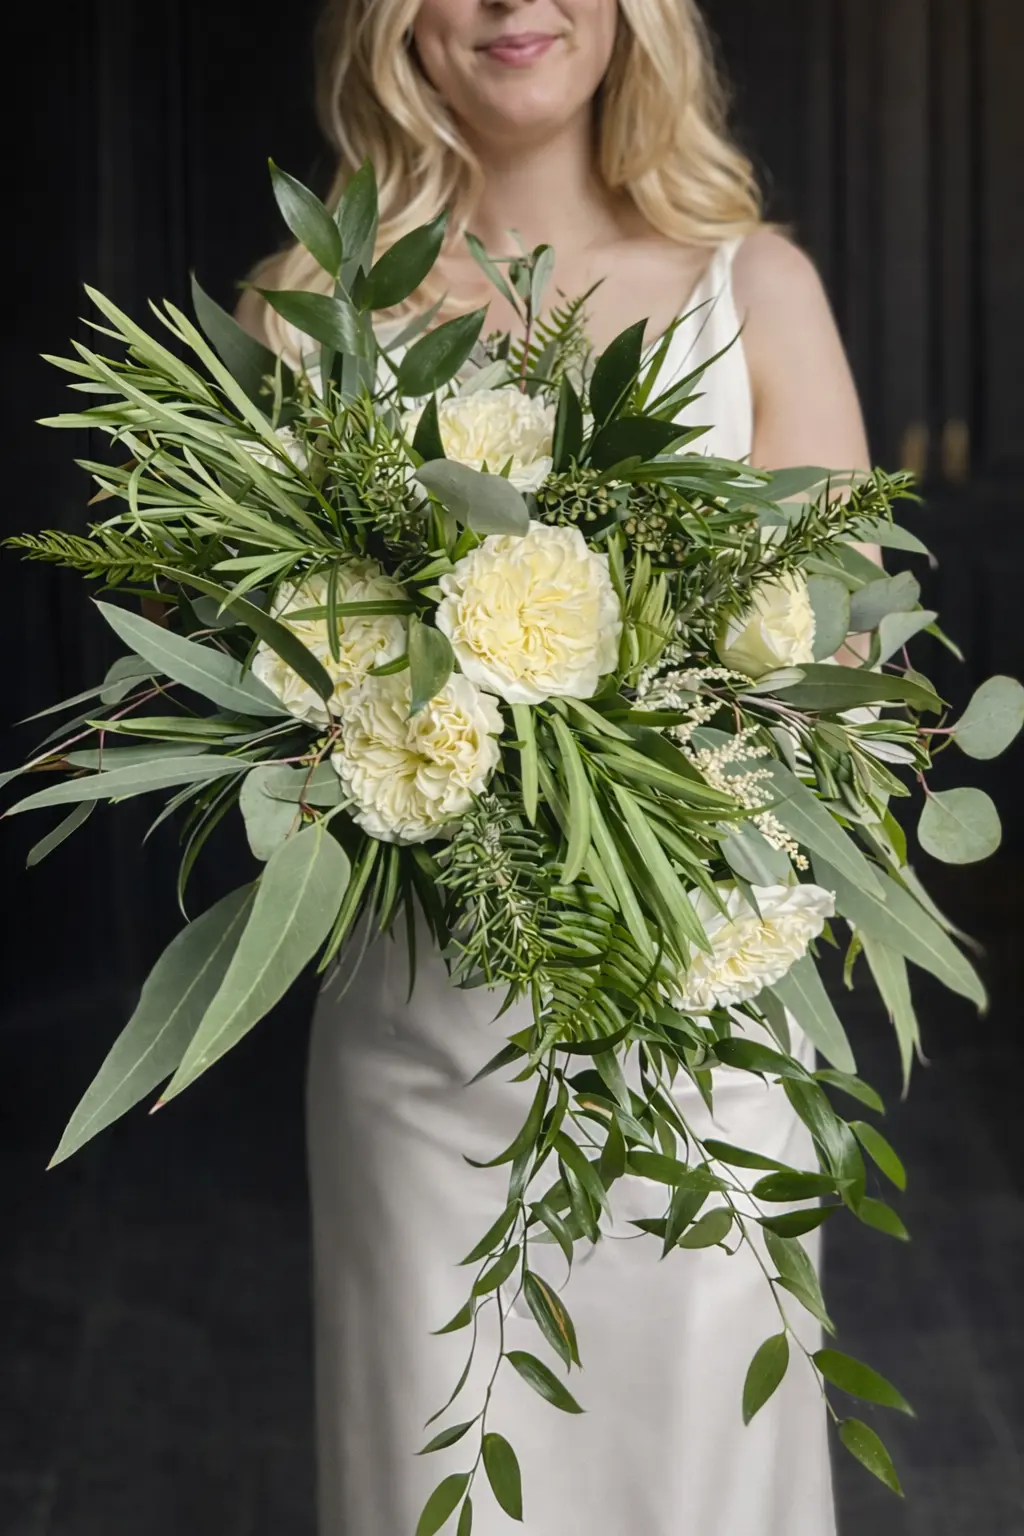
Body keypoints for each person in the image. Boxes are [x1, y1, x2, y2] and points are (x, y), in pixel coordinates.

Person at [239, 3, 872, 1531]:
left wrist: (674, 742)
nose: (512, 3)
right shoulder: (305, 307)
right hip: (419, 1048)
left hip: (700, 1060)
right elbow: (243, 674)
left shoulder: (757, 289)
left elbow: (855, 677)